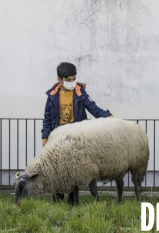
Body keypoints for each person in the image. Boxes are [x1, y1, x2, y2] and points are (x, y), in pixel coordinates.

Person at [41, 62, 114, 203]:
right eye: (68, 80)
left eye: (74, 78)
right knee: (58, 170)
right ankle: (57, 199)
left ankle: (72, 200)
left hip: (76, 138)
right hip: (58, 138)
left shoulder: (80, 92)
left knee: (73, 169)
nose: (72, 82)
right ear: (59, 80)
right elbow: (47, 119)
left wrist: (109, 117)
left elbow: (94, 109)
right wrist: (45, 138)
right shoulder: (52, 96)